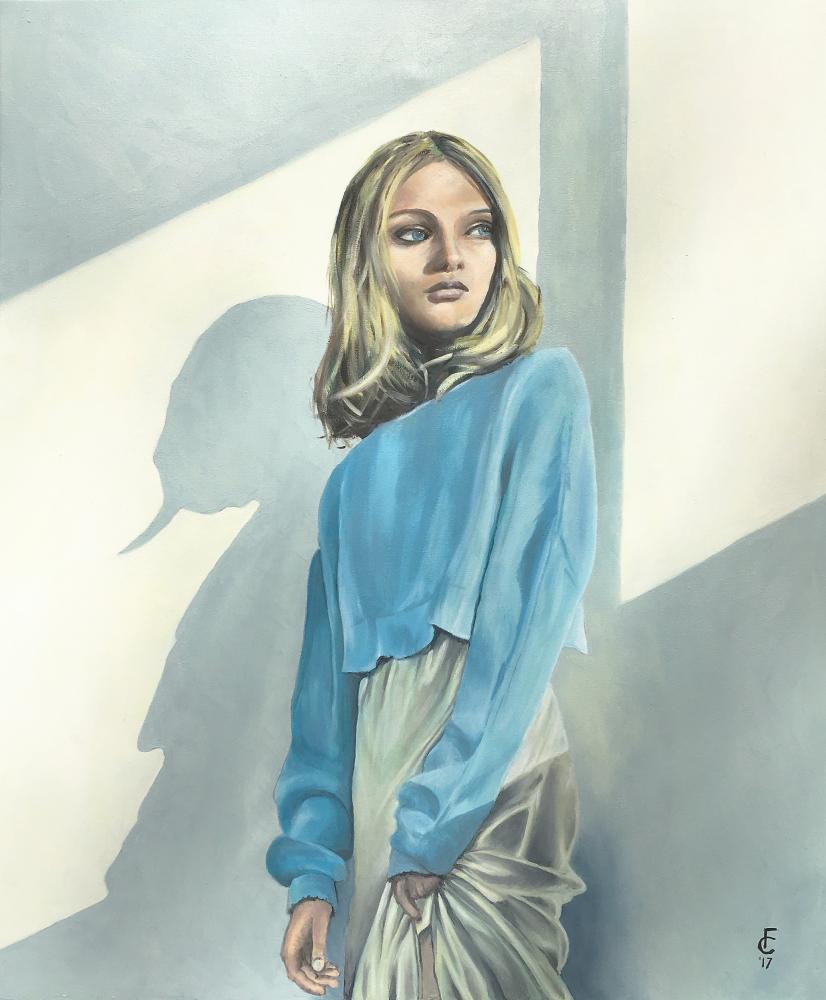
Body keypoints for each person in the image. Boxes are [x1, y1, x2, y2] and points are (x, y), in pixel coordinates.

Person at [266, 131, 598, 999]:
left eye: (478, 228)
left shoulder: (540, 391)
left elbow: (525, 621)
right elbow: (323, 712)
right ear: (367, 263)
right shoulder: (349, 487)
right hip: (385, 798)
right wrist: (313, 871)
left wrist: (436, 819)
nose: (453, 255)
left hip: (486, 781)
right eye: (415, 232)